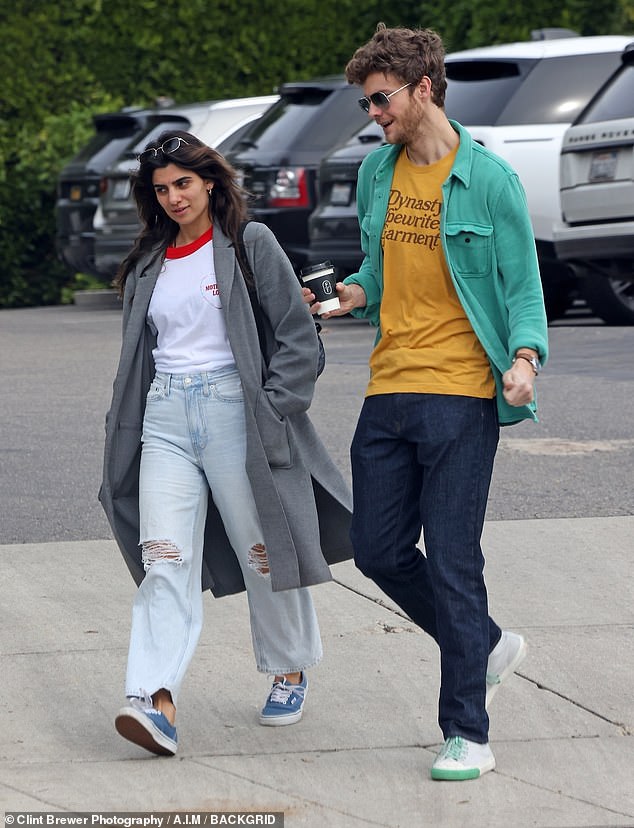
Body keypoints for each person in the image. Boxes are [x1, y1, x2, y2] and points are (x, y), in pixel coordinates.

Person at [307, 24, 549, 780]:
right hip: (389, 386)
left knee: (451, 559)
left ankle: (467, 732)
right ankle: (486, 643)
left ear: (423, 89)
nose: (372, 115)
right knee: (376, 550)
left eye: (381, 100)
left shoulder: (490, 180)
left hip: (461, 392)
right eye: (366, 103)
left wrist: (524, 359)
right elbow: (379, 266)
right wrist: (351, 294)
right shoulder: (377, 175)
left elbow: (522, 287)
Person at [99, 129, 353, 757]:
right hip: (165, 418)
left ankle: (288, 666)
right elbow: (140, 359)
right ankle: (153, 700)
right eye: (161, 190)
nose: (174, 198)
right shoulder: (148, 262)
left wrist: (272, 409)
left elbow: (297, 337)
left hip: (237, 411)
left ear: (209, 181)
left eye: (183, 183)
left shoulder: (248, 243)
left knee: (262, 546)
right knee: (163, 560)